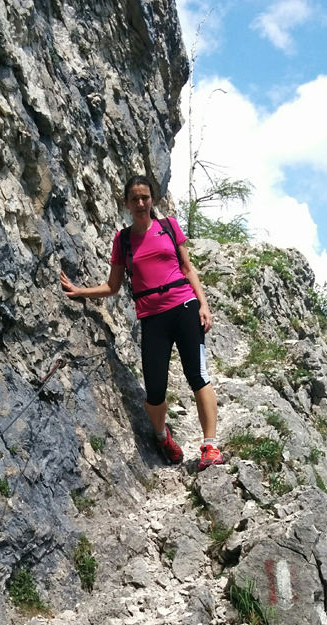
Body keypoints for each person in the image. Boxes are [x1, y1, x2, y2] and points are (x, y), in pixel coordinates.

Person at [60, 175, 224, 470]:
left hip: (184, 306)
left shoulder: (168, 226)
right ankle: (162, 437)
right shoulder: (122, 240)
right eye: (134, 198)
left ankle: (210, 446)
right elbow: (112, 286)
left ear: (152, 200)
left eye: (145, 197)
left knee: (198, 375)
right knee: (155, 389)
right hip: (152, 317)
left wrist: (203, 304)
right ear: (126, 203)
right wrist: (80, 291)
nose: (140, 203)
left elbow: (187, 268)